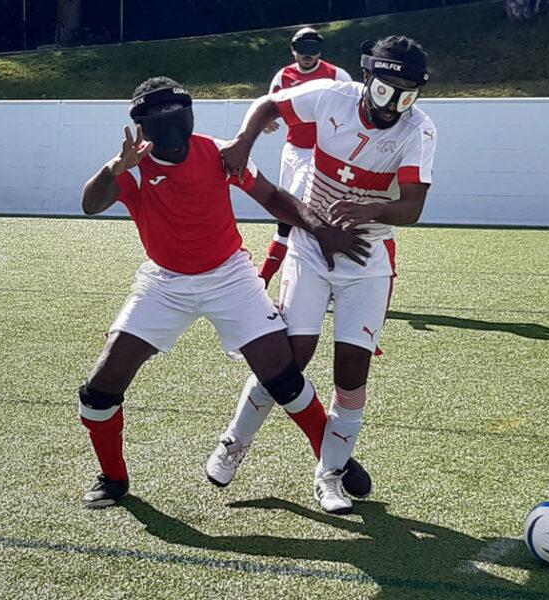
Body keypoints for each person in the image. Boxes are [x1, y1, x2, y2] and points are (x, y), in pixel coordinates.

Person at [77, 76, 372, 509]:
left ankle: (335, 461)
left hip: (229, 276)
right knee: (100, 389)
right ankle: (113, 479)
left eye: (172, 112)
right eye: (156, 116)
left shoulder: (218, 153)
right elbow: (90, 203)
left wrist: (320, 230)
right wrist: (112, 170)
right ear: (142, 124)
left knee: (284, 375)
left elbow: (272, 196)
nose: (169, 126)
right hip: (165, 283)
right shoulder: (131, 166)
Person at [210, 35, 437, 514]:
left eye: (407, 94)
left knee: (351, 375)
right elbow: (269, 104)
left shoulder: (420, 129)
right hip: (310, 249)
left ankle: (329, 475)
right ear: (367, 79)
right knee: (291, 357)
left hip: (369, 260)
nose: (394, 104)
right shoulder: (333, 95)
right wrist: (243, 141)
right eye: (384, 90)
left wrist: (369, 208)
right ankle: (235, 442)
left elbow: (413, 206)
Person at [257, 26, 353, 289]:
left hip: (321, 154)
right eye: (302, 49)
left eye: (312, 49)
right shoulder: (283, 76)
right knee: (289, 213)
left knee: (295, 214)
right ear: (293, 50)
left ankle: (262, 280)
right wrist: (265, 124)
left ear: (320, 50)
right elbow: (269, 106)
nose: (307, 56)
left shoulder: (336, 75)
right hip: (291, 152)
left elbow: (354, 106)